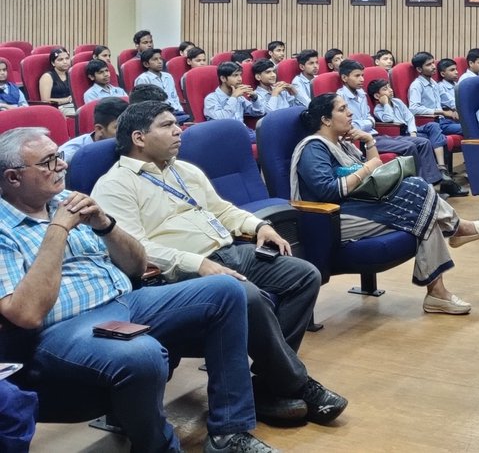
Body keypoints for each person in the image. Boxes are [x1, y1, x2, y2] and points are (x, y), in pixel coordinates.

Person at [0, 126, 277, 453]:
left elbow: (135, 267)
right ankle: (158, 447)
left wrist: (106, 225)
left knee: (226, 290)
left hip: (125, 299)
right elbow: (26, 314)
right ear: (13, 177)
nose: (62, 165)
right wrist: (58, 228)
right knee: (141, 353)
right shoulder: (6, 228)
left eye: (60, 156)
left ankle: (229, 433)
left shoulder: (66, 200)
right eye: (48, 161)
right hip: (65, 329)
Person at [91, 102, 348, 426]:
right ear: (139, 137)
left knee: (304, 275)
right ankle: (297, 383)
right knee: (247, 294)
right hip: (179, 274)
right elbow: (137, 249)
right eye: (167, 125)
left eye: (176, 124)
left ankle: (267, 384)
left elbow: (222, 210)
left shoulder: (182, 170)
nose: (178, 131)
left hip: (227, 251)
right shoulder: (115, 185)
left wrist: (259, 226)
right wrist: (197, 263)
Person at [291, 94, 479, 315]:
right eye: (343, 109)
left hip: (360, 207)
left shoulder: (341, 144)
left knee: (420, 200)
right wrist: (366, 169)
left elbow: (378, 175)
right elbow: (328, 190)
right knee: (421, 198)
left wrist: (369, 141)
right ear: (326, 120)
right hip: (333, 219)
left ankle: (438, 291)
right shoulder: (314, 148)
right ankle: (454, 235)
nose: (350, 113)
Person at [337, 61, 462, 196]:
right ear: (344, 78)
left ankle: (431, 186)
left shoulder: (361, 94)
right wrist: (368, 122)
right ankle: (417, 191)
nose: (362, 79)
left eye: (362, 75)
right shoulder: (340, 97)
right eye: (357, 76)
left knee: (423, 142)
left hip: (376, 134)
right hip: (362, 140)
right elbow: (352, 125)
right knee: (409, 146)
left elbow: (370, 119)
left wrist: (367, 122)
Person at [369, 77, 452, 170]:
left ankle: (441, 166)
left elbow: (410, 117)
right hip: (401, 133)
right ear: (377, 96)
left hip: (411, 129)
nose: (390, 90)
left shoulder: (398, 101)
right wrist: (386, 104)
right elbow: (388, 119)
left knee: (434, 126)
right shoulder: (378, 109)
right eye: (385, 89)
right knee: (435, 138)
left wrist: (413, 131)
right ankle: (437, 168)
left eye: (389, 87)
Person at [408, 53, 463, 136]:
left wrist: (456, 109)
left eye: (433, 62)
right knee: (468, 128)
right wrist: (441, 112)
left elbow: (448, 99)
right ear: (419, 69)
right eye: (429, 64)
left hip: (444, 121)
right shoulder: (416, 85)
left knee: (474, 125)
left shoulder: (434, 83)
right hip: (432, 122)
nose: (434, 66)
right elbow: (414, 108)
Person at [59, 97, 127, 164]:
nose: (127, 132)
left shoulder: (130, 145)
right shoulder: (70, 156)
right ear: (99, 129)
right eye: (119, 127)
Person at [204, 61, 257, 140]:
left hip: (244, 131)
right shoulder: (211, 99)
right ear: (223, 78)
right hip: (227, 135)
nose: (240, 79)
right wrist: (233, 97)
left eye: (240, 75)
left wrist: (255, 98)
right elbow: (223, 120)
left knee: (270, 134)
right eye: (235, 75)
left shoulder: (239, 96)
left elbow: (258, 112)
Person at [134, 49, 190, 124]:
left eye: (160, 59)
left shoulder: (168, 76)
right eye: (155, 59)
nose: (160, 61)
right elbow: (144, 104)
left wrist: (180, 110)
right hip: (158, 115)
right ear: (146, 64)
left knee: (189, 119)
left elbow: (174, 96)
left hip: (175, 111)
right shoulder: (143, 79)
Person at [37, 47, 74, 113]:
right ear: (53, 63)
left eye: (67, 58)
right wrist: (66, 100)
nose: (65, 62)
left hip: (72, 105)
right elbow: (45, 101)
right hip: (57, 109)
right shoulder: (47, 77)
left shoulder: (71, 74)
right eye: (60, 60)